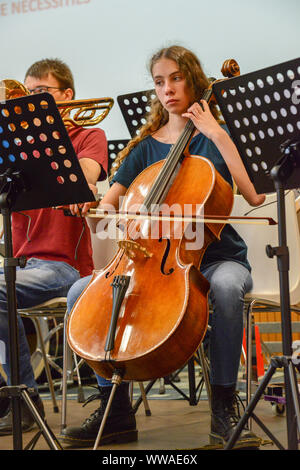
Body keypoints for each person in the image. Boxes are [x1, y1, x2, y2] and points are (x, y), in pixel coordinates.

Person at [59, 45, 265, 449]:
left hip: (217, 258)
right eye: (159, 82)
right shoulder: (145, 148)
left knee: (224, 288)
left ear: (194, 80)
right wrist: (99, 207)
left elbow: (254, 197)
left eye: (176, 78)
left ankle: (224, 403)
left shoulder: (217, 138)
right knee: (79, 292)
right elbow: (110, 202)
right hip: (152, 261)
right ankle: (115, 408)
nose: (167, 89)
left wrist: (218, 134)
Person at [0, 58, 108, 435]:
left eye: (41, 93)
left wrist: (83, 181)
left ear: (67, 96)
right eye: (27, 94)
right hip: (22, 263)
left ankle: (23, 399)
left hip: (64, 267)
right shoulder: (14, 147)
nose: (31, 102)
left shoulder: (88, 135)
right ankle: (11, 393)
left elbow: (88, 173)